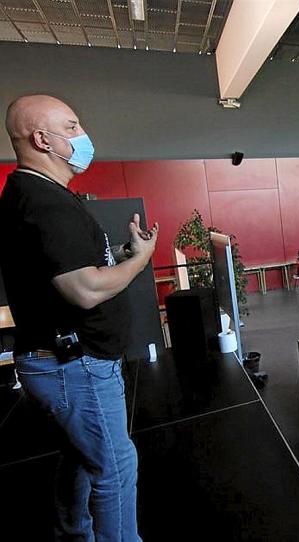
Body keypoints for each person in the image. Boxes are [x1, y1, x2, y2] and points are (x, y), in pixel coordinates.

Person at [0, 95, 159, 540]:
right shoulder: (45, 203)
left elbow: (71, 268)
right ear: (41, 139)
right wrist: (140, 262)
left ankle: (74, 533)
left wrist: (123, 255)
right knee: (115, 468)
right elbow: (84, 290)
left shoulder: (31, 193)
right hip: (75, 366)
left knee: (80, 456)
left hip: (63, 362)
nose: (82, 136)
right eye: (71, 128)